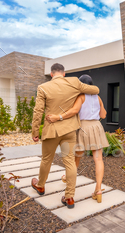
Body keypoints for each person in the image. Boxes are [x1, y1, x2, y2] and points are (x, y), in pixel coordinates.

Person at [31, 64, 100, 209]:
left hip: (51, 131)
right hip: (69, 130)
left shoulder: (43, 87)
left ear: (51, 74)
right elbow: (96, 90)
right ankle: (69, 197)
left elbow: (38, 111)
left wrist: (35, 132)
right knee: (69, 161)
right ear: (64, 73)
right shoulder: (74, 82)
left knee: (46, 160)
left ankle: (41, 186)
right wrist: (79, 90)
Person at [46, 74, 109, 203]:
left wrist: (58, 117)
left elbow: (74, 111)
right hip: (97, 127)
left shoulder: (80, 97)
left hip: (83, 127)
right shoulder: (98, 97)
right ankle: (98, 190)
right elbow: (103, 114)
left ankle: (67, 180)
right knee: (98, 159)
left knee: (76, 158)